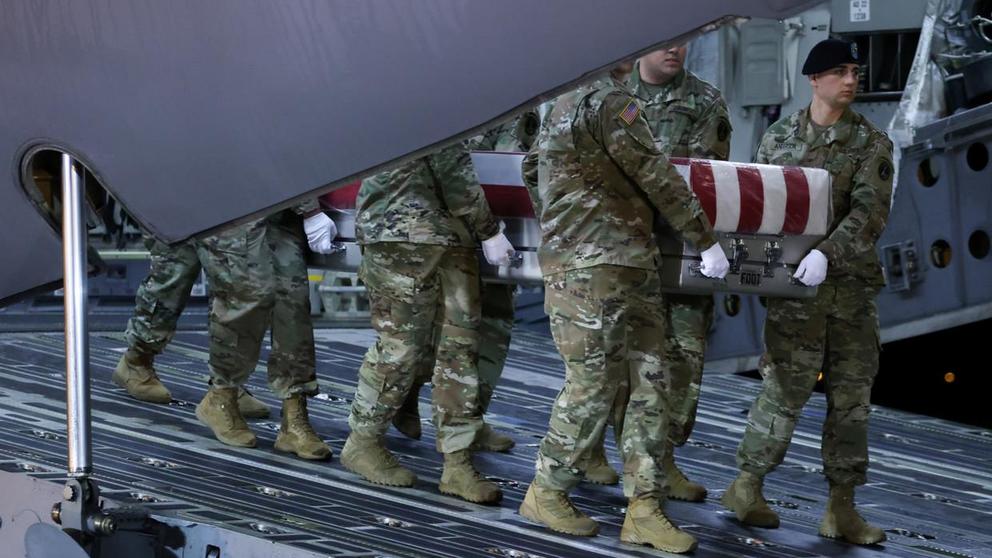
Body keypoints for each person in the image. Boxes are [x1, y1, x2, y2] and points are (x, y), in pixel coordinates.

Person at [518, 61, 729, 554]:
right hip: (602, 266)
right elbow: (654, 173)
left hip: (617, 262)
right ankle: (546, 491)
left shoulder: (562, 101)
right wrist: (704, 239)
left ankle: (645, 508)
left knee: (649, 386)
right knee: (595, 383)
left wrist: (562, 223)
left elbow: (532, 168)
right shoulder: (612, 101)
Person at [721, 38, 894, 546]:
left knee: (851, 400)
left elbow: (869, 215)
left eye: (855, 72)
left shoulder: (871, 144)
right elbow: (759, 211)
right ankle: (746, 487)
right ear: (814, 79)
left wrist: (827, 253)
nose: (850, 79)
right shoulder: (777, 141)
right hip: (795, 293)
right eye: (839, 71)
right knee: (783, 392)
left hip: (851, 295)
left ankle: (842, 509)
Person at [580, 43, 734, 497]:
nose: (675, 48)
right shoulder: (609, 97)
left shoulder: (705, 103)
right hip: (623, 253)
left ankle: (660, 460)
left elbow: (708, 180)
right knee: (610, 360)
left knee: (682, 363)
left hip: (684, 255)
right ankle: (594, 451)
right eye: (666, 39)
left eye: (683, 39)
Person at [341, 141, 515, 504]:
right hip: (404, 234)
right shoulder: (429, 93)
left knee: (457, 352)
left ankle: (457, 462)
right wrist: (489, 230)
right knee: (401, 347)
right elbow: (451, 166)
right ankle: (363, 441)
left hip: (444, 237)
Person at [116, 200, 338, 461]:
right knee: (183, 280)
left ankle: (293, 413)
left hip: (271, 199)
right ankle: (147, 361)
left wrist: (308, 207)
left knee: (291, 296)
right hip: (208, 193)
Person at [391, 111, 541, 453]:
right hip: (454, 222)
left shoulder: (524, 99)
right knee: (445, 329)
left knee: (494, 325)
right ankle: (406, 397)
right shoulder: (468, 91)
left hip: (501, 220)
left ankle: (471, 418)